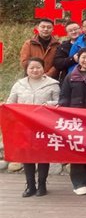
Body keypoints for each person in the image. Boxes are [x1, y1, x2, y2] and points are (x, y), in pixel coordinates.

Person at [7, 57, 60, 197]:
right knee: (27, 155)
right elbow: (11, 103)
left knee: (43, 155)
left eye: (38, 67)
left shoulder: (53, 84)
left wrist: (49, 104)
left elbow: (59, 102)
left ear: (43, 68)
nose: (35, 70)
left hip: (44, 126)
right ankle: (30, 185)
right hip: (24, 126)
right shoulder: (19, 84)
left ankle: (42, 185)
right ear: (27, 70)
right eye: (31, 68)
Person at [59, 48, 86, 195]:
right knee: (77, 150)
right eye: (83, 57)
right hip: (76, 120)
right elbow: (64, 97)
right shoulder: (70, 76)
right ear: (78, 59)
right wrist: (63, 109)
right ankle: (78, 182)